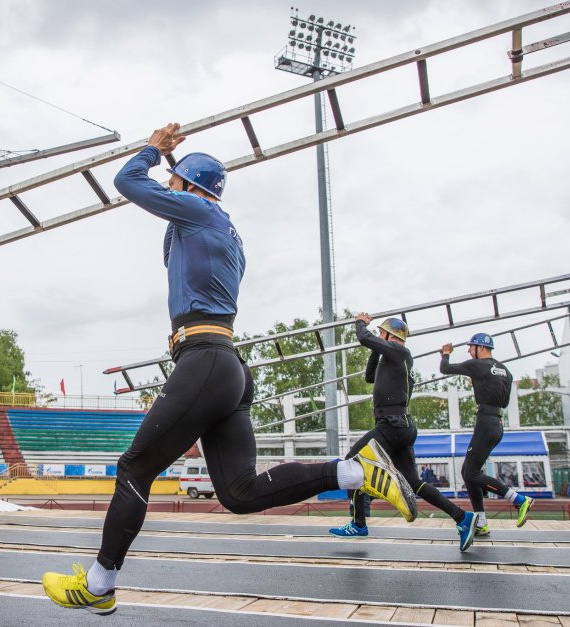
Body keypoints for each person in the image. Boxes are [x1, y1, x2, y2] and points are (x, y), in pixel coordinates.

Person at [41, 123, 418, 616]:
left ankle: (99, 582)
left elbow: (129, 183)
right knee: (240, 492)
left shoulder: (199, 211)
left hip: (204, 360)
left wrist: (152, 153)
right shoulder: (222, 233)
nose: (168, 188)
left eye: (175, 182)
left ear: (193, 187)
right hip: (228, 366)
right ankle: (354, 471)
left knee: (135, 467)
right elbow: (173, 252)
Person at [330, 313, 476, 552]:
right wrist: (377, 346)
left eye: (382, 334)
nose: (378, 337)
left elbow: (363, 338)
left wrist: (361, 323)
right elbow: (369, 376)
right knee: (415, 482)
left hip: (391, 424)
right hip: (401, 426)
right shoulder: (393, 359)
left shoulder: (401, 353)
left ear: (390, 335)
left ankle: (358, 522)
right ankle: (462, 518)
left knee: (350, 463)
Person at [440, 332, 534, 536]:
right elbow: (505, 401)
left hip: (485, 422)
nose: (468, 351)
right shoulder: (505, 370)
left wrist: (445, 353)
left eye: (470, 347)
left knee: (471, 473)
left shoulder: (478, 365)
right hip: (497, 423)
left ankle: (519, 499)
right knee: (469, 472)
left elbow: (444, 368)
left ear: (479, 348)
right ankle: (481, 522)